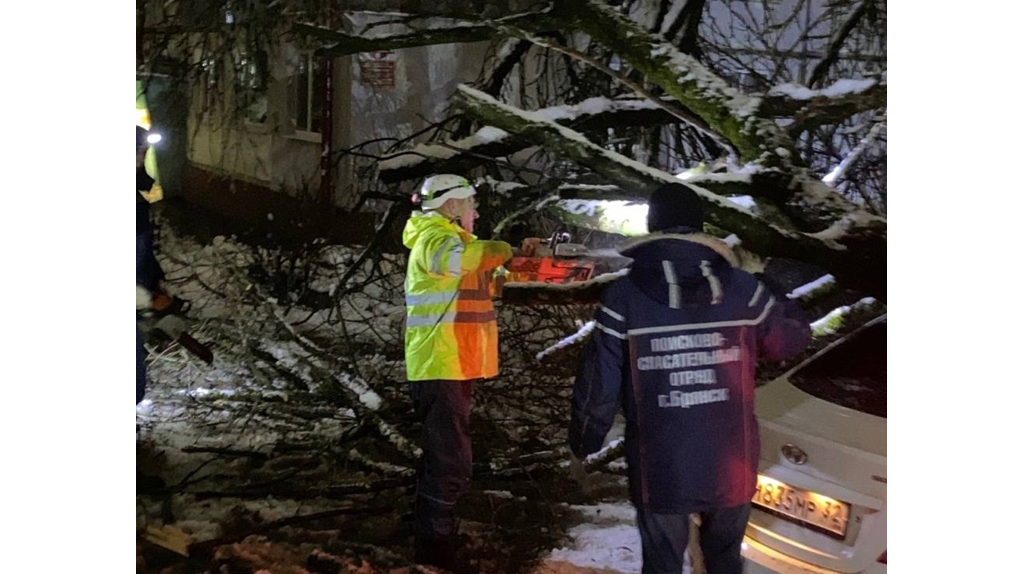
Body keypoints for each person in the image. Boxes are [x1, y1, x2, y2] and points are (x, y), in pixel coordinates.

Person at [568, 183, 811, 574]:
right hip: (732, 461)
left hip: (659, 464)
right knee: (724, 562)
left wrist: (583, 439)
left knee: (662, 564)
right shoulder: (745, 291)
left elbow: (600, 380)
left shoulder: (624, 297)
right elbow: (790, 340)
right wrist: (768, 285)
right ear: (701, 226)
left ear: (653, 225)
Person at [402, 174, 514, 570]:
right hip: (439, 365)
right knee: (449, 462)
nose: (475, 211)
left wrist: (516, 263)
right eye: (470, 203)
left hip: (452, 364)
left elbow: (488, 278)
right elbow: (465, 261)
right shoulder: (434, 238)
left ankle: (434, 539)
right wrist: (502, 249)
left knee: (447, 459)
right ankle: (435, 552)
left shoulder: (456, 242)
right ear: (450, 206)